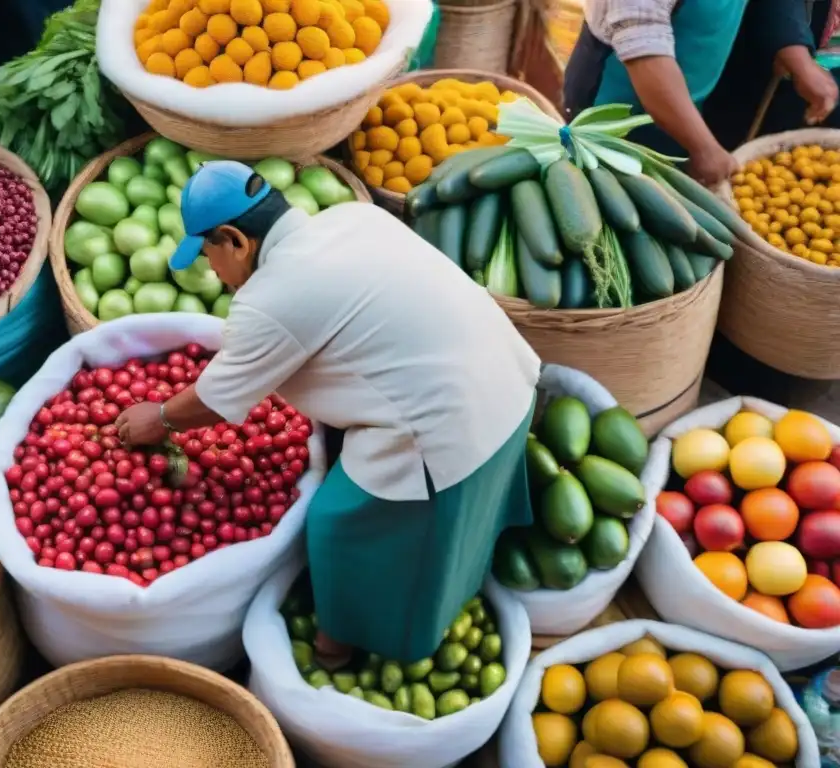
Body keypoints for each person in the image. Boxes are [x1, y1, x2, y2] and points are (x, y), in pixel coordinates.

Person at [114, 161, 540, 666]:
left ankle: (352, 644)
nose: (211, 270)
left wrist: (158, 417)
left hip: (450, 428)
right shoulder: (352, 219)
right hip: (509, 378)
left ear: (235, 239)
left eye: (208, 254)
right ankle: (467, 570)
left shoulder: (270, 298)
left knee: (339, 524)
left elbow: (213, 400)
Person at [563, 0, 839, 186]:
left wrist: (797, 55)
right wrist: (703, 148)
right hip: (618, 100)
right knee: (603, 196)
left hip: (684, 98)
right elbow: (644, 49)